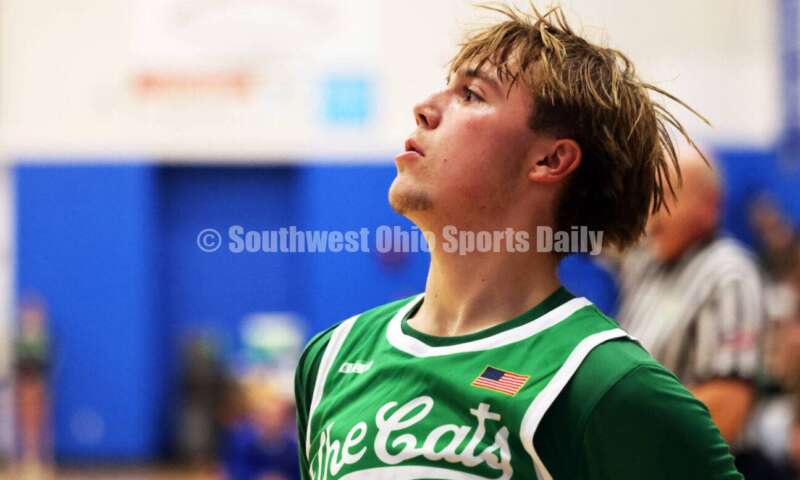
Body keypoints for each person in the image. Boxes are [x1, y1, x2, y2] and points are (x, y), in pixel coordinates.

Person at [295, 4, 742, 479]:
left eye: (470, 94)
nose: (424, 109)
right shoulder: (331, 359)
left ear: (550, 160)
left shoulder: (603, 383)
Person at [616, 150, 763, 447]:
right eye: (649, 200)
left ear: (710, 206)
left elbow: (727, 404)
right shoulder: (648, 264)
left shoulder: (729, 275)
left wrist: (632, 447)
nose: (652, 217)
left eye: (666, 199)